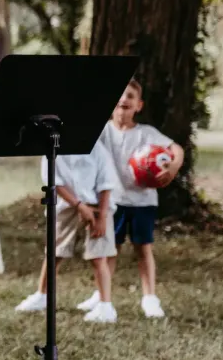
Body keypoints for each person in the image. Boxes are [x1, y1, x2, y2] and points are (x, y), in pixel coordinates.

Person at [97, 79, 184, 319]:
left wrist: (173, 167)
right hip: (113, 201)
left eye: (130, 96)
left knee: (143, 249)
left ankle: (150, 298)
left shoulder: (146, 134)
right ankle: (102, 297)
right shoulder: (102, 132)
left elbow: (177, 149)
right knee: (110, 250)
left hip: (143, 201)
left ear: (139, 105)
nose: (124, 99)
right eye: (120, 95)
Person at [14, 143, 119, 322]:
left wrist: (101, 217)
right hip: (66, 206)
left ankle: (105, 306)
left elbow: (106, 184)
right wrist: (79, 206)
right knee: (54, 253)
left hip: (97, 207)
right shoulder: (53, 150)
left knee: (98, 257)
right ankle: (42, 296)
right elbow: (55, 182)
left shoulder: (98, 150)